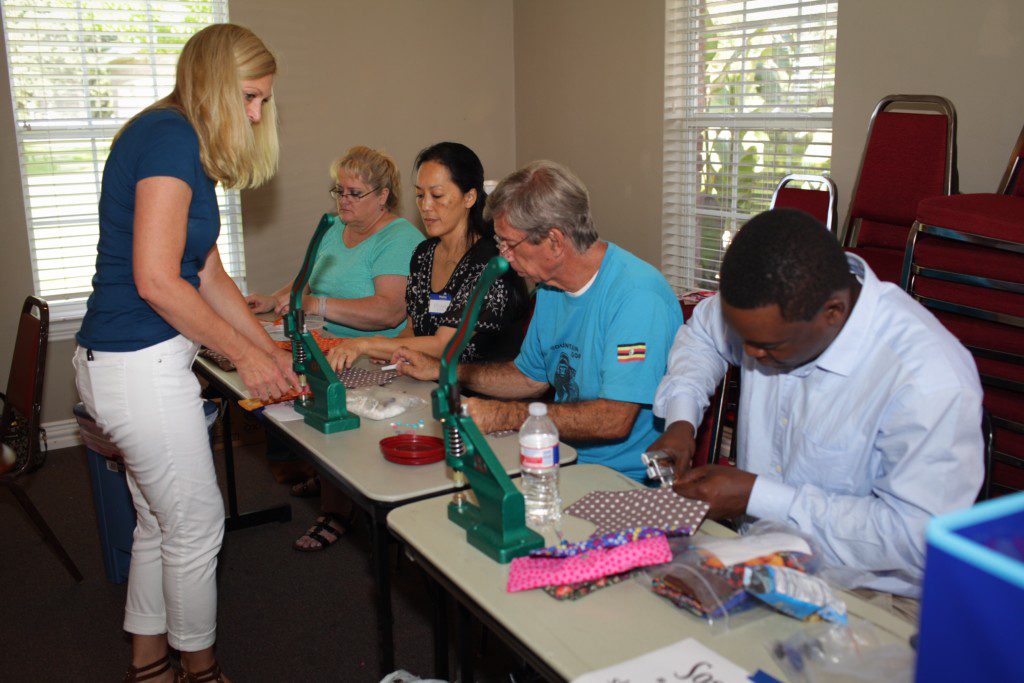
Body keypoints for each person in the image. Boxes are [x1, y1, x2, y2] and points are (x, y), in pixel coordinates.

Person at [73, 24, 294, 683]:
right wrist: (244, 360)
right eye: (250, 98)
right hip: (136, 365)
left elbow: (209, 275)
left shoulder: (178, 139)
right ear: (215, 85)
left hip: (123, 362)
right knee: (198, 527)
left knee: (159, 525)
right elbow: (158, 279)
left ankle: (149, 664)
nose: (256, 115)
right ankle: (201, 669)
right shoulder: (170, 138)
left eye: (263, 102)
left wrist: (271, 352)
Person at [650, 208, 984, 616]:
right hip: (758, 555)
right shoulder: (773, 306)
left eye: (768, 348)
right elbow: (703, 336)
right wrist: (682, 419)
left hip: (870, 593)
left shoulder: (929, 379)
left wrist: (756, 495)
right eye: (743, 340)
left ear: (833, 312)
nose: (749, 354)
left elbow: (916, 540)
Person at [291, 141, 528, 551]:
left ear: (470, 198)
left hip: (483, 400)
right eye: (420, 195)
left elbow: (443, 343)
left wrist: (367, 345)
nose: (427, 206)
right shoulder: (423, 254)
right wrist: (372, 358)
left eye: (438, 196)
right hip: (428, 389)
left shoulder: (491, 263)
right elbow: (412, 331)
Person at [392, 160, 682, 482]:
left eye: (509, 244)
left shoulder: (637, 296)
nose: (503, 256)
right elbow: (529, 378)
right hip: (558, 455)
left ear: (555, 242)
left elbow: (614, 419)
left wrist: (504, 415)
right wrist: (445, 369)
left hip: (619, 477)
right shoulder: (550, 288)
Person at [245, 145, 422, 340]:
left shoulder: (400, 238)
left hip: (372, 354)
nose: (344, 200)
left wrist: (317, 304)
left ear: (383, 196)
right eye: (339, 191)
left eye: (355, 193)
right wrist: (274, 300)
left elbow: (389, 312)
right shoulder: (333, 227)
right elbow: (306, 279)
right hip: (322, 342)